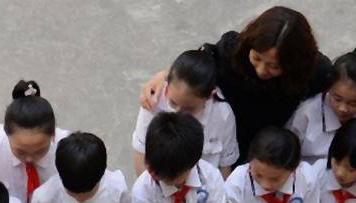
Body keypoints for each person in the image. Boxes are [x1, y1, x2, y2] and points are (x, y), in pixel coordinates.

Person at [139, 7, 334, 163]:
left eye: (273, 66)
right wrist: (164, 74)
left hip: (267, 153)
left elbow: (347, 81)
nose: (261, 70)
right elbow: (197, 65)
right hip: (224, 141)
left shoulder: (313, 71)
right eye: (256, 58)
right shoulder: (230, 51)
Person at [133, 48, 241, 175]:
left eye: (189, 108)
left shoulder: (223, 115)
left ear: (209, 96)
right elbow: (141, 151)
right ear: (167, 84)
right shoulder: (153, 101)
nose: (178, 113)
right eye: (173, 102)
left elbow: (225, 165)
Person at [287, 43, 356, 164]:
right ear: (328, 87)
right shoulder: (306, 113)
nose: (342, 108)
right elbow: (288, 152)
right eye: (337, 98)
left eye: (353, 103)